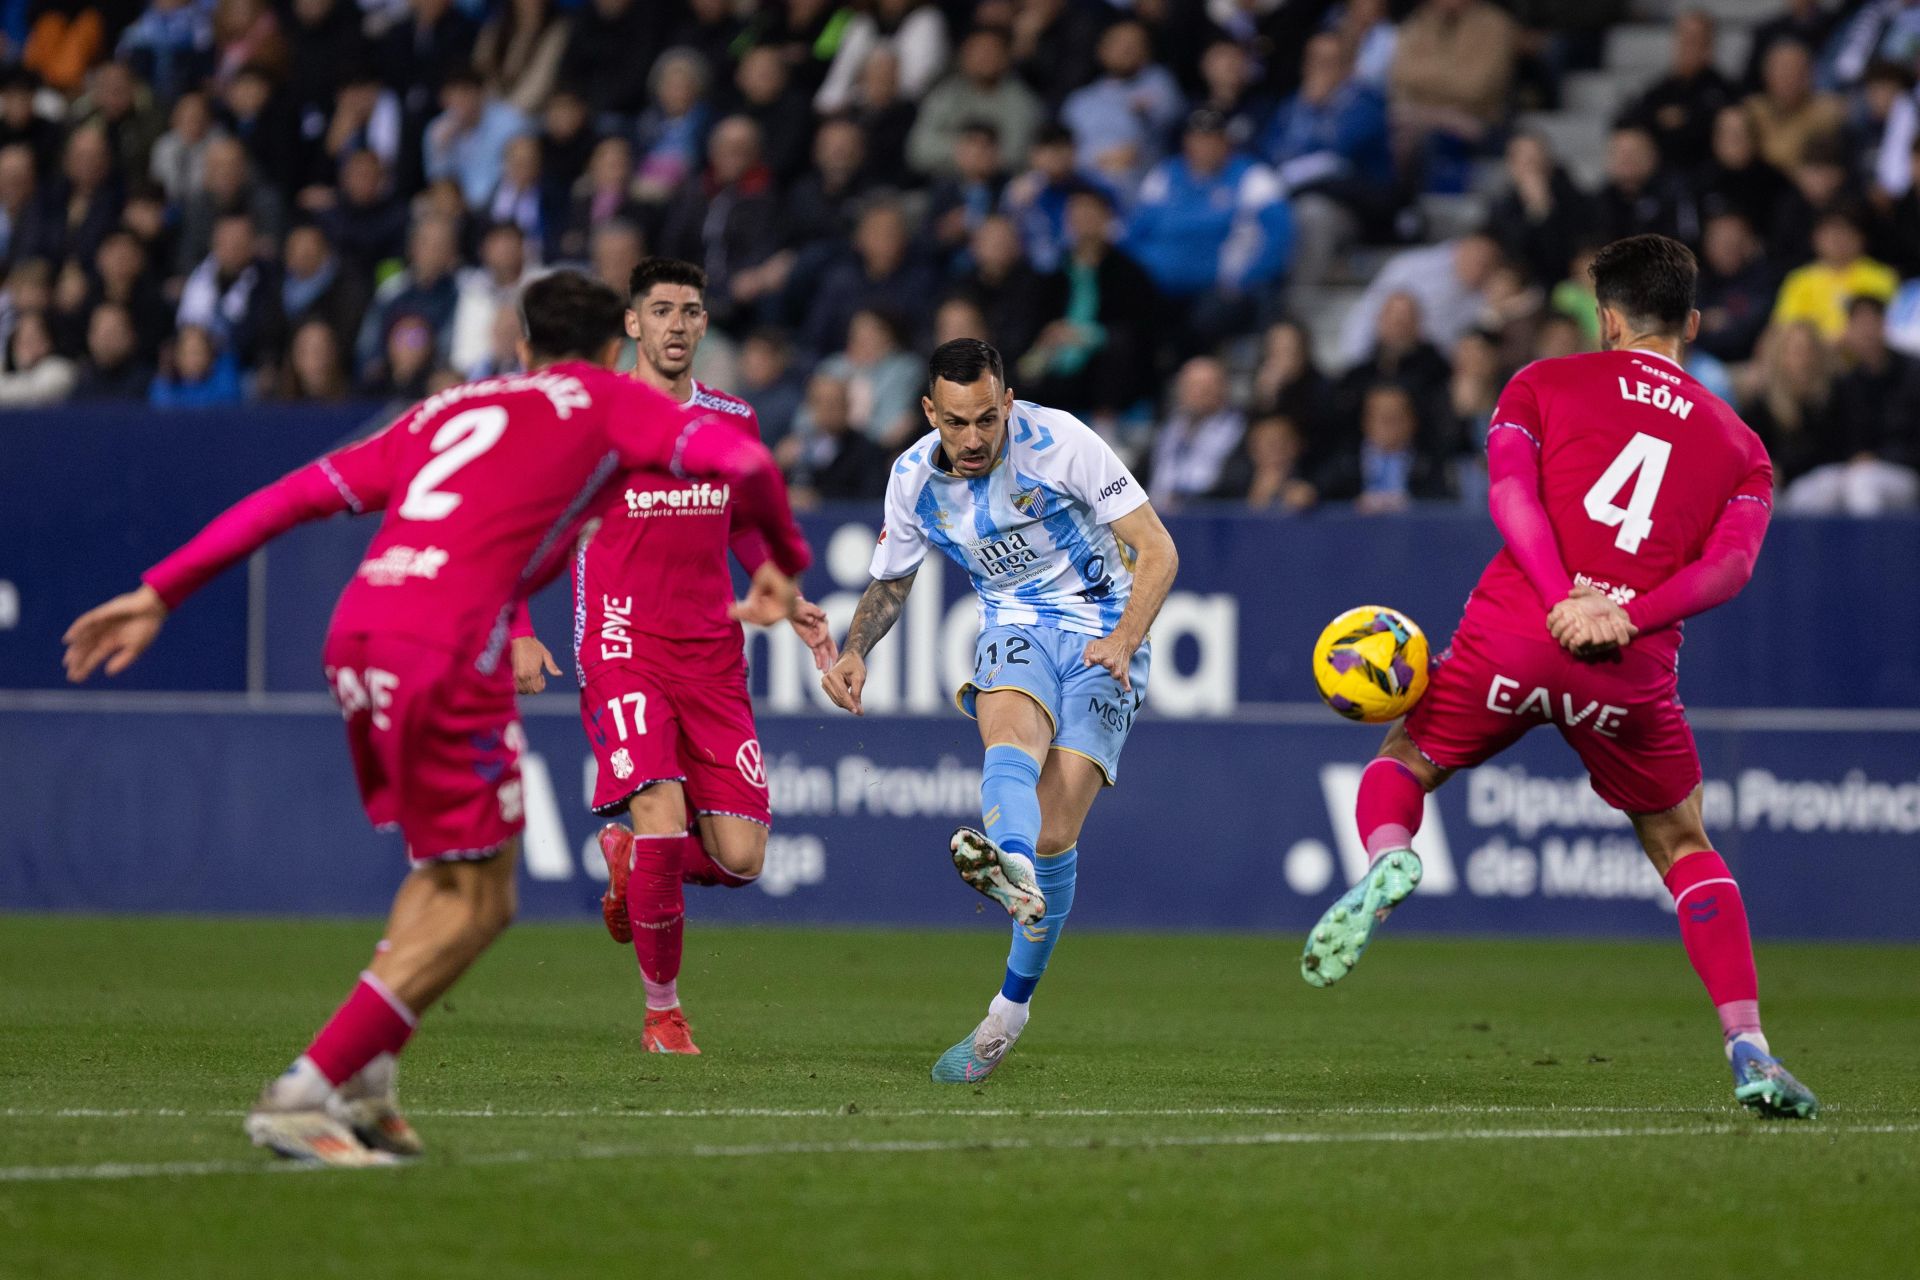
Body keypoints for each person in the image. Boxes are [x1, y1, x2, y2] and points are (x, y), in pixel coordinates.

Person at [60, 271, 811, 1165]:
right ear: (615, 348)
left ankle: (370, 1085)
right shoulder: (612, 404)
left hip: (362, 633)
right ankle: (304, 1094)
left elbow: (293, 495)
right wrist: (788, 561)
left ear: (523, 347)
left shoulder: (450, 409)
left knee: (446, 878)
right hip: (447, 647)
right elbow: (748, 465)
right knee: (483, 902)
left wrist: (158, 591)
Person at [1297, 234, 1818, 1120]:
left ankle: (1389, 858)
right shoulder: (1741, 445)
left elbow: (1509, 500)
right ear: (1690, 323)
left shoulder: (1540, 383)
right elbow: (1729, 573)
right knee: (1683, 843)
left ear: (1607, 319)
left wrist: (1560, 598)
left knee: (1409, 754)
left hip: (1515, 635)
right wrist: (1623, 614)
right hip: (1627, 669)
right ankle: (1748, 1044)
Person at [821, 339, 1180, 1084]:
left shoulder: (1063, 443)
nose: (975, 438)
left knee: (1057, 830)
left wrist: (1126, 637)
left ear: (1008, 403)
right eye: (957, 423)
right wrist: (856, 650)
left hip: (1102, 630)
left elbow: (1158, 549)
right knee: (1008, 731)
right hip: (1014, 623)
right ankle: (1008, 865)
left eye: (988, 418)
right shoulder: (913, 479)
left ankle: (1008, 1011)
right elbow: (891, 582)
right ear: (930, 413)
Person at [509, 259, 835, 1057]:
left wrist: (785, 594)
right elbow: (519, 522)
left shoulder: (732, 419)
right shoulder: (594, 419)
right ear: (632, 325)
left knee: (742, 857)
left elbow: (747, 524)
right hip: (621, 644)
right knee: (660, 809)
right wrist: (518, 624)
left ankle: (629, 859)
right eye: (661, 311)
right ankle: (664, 1014)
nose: (678, 325)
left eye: (691, 310)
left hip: (713, 655)